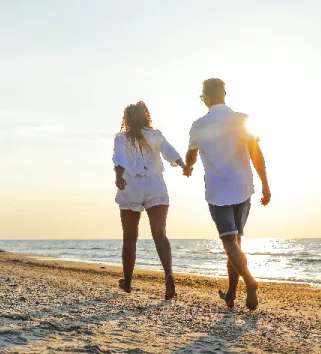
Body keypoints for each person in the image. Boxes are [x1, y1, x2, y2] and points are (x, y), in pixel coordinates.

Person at [183, 78, 271, 311]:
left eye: (202, 97)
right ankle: (231, 294)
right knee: (236, 242)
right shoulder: (241, 120)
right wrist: (265, 185)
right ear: (224, 94)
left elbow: (191, 153)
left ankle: (250, 282)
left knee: (229, 242)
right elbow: (256, 154)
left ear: (208, 98)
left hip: (218, 192)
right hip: (243, 188)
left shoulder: (199, 125)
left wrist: (188, 167)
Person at [112, 101, 185, 300]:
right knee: (160, 234)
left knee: (129, 237)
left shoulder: (121, 138)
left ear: (126, 119)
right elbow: (170, 151)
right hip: (155, 185)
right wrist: (182, 164)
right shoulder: (155, 135)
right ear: (145, 117)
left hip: (131, 187)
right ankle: (169, 276)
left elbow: (119, 159)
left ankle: (127, 282)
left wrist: (118, 177)